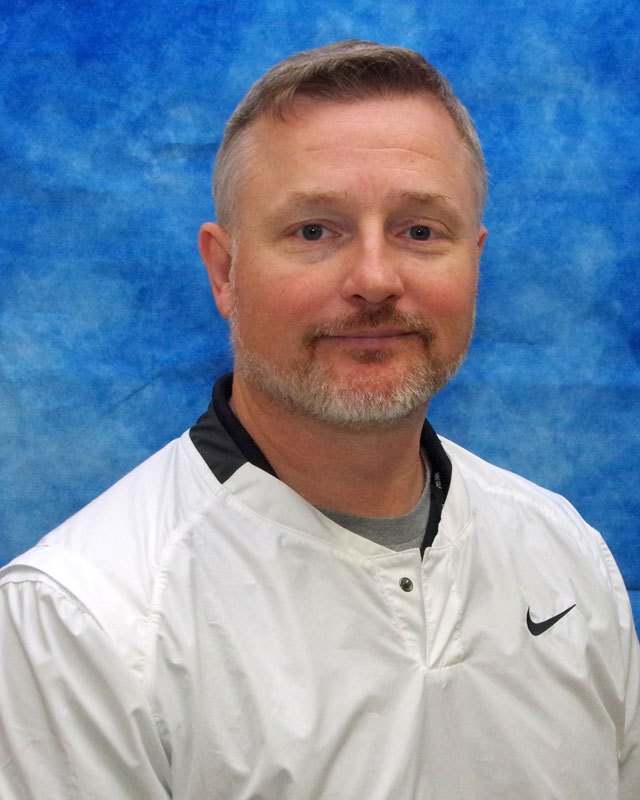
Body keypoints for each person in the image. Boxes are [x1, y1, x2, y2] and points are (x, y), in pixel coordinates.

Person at [0, 40, 638, 800]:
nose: (375, 279)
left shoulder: (565, 551)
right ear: (225, 272)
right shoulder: (81, 620)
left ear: (475, 260)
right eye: (314, 231)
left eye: (419, 231)